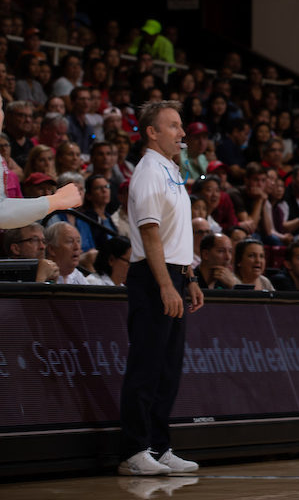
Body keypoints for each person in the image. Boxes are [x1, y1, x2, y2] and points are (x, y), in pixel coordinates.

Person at [119, 100, 203, 476]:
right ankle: (134, 451)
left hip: (174, 274)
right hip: (153, 278)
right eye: (173, 126)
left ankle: (158, 445)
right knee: (147, 367)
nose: (182, 133)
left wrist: (189, 277)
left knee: (168, 370)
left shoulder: (172, 170)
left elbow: (174, 234)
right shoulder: (149, 171)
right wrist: (167, 285)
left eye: (181, 126)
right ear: (152, 132)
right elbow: (151, 233)